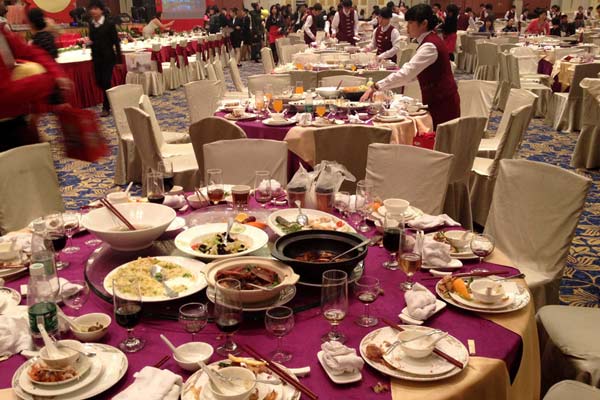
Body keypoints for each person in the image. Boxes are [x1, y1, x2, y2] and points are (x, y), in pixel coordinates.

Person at [361, 4, 459, 128]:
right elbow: (413, 74)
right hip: (436, 100)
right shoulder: (428, 40)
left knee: (441, 143)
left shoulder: (430, 46)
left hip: (443, 103)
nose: (407, 28)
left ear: (424, 23)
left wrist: (377, 86)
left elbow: (407, 73)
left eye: (411, 23)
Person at [0, 26, 71, 151]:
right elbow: (4, 93)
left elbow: (30, 51)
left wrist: (56, 74)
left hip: (15, 117)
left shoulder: (2, 32)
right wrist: (48, 81)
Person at [88, 0, 121, 117]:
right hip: (96, 58)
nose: (93, 11)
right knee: (99, 82)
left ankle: (106, 107)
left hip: (108, 58)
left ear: (101, 10)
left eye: (96, 8)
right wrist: (89, 44)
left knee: (106, 81)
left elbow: (116, 43)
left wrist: (119, 60)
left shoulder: (109, 24)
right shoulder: (91, 24)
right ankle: (113, 98)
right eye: (92, 8)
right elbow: (93, 40)